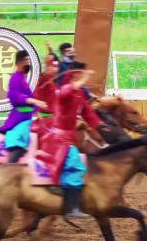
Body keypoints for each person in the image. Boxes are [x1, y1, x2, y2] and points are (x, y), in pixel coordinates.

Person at [38, 61, 105, 219]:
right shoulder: (66, 88)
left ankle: (66, 199)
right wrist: (82, 79)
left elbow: (88, 113)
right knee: (76, 167)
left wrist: (100, 125)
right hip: (59, 138)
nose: (85, 77)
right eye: (82, 74)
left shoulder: (79, 93)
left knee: (76, 166)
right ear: (76, 74)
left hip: (68, 137)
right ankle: (70, 206)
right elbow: (65, 92)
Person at [0, 50, 47, 163]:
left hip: (26, 117)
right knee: (19, 144)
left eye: (28, 61)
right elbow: (14, 96)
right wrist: (34, 101)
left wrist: (37, 111)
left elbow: (28, 97)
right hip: (19, 118)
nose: (28, 63)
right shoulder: (15, 78)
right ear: (20, 63)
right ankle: (9, 168)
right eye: (26, 61)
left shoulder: (22, 79)